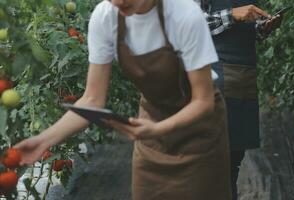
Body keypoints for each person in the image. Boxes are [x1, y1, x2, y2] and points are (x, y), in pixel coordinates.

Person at [14, 0, 232, 199]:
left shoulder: (184, 14)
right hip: (151, 130)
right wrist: (42, 142)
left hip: (198, 135)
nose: (119, 3)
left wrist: (159, 129)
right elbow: (91, 99)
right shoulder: (106, 17)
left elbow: (203, 101)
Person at [194, 0, 282, 199]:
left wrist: (262, 27)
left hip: (242, 77)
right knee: (214, 165)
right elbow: (186, 23)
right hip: (212, 74)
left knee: (231, 163)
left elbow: (241, 26)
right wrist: (232, 14)